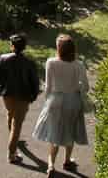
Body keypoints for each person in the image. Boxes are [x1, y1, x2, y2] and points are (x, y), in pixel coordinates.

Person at [32, 33, 91, 174]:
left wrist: (47, 102)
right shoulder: (79, 65)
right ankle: (67, 160)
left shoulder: (50, 62)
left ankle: (51, 165)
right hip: (73, 101)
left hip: (55, 100)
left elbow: (48, 86)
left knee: (54, 133)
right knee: (70, 131)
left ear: (59, 48)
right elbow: (86, 87)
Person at [0, 32, 43, 163]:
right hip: (23, 97)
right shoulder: (30, 63)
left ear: (12, 46)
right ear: (24, 47)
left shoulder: (3, 58)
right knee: (17, 125)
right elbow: (35, 82)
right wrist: (33, 96)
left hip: (7, 95)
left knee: (10, 115)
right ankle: (11, 154)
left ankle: (13, 140)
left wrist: (4, 85)